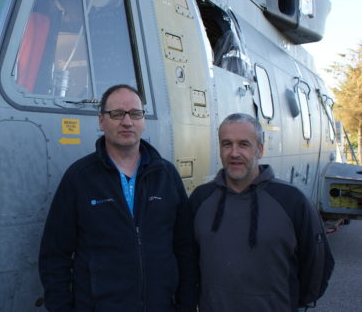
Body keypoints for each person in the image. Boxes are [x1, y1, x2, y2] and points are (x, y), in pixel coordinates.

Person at [39, 84, 198, 312]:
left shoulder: (166, 176)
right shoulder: (79, 178)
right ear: (101, 121)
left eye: (135, 113)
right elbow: (54, 255)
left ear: (143, 120)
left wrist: (186, 305)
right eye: (116, 114)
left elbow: (185, 250)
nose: (127, 122)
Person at [190, 113, 334, 312]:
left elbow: (318, 264)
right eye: (226, 144)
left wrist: (291, 304)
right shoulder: (200, 199)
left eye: (243, 144)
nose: (234, 153)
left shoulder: (291, 201)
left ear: (260, 149)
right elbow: (188, 262)